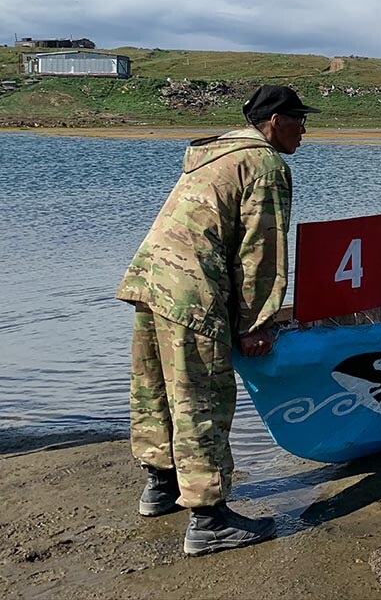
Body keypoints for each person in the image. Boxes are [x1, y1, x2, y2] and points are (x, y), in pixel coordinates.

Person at [116, 84, 318, 557]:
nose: (305, 130)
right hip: (192, 290)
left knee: (155, 389)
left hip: (152, 279)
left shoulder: (217, 154)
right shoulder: (265, 164)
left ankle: (160, 486)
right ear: (273, 122)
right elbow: (261, 254)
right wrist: (255, 324)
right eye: (298, 120)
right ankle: (208, 521)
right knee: (200, 398)